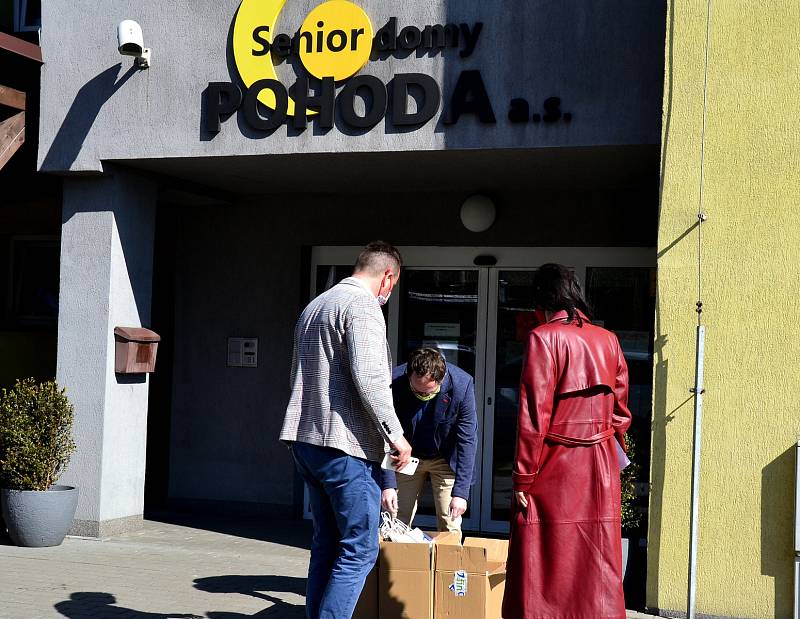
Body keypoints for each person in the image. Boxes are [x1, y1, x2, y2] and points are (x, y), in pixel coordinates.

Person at [280, 241, 413, 619]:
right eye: (393, 284)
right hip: (344, 446)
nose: (389, 293)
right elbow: (371, 378)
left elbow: (297, 374)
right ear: (387, 276)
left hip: (306, 440)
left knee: (328, 543)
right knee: (360, 548)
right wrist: (395, 434)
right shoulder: (362, 306)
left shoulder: (316, 306)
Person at [502, 263, 632, 619]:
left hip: (554, 463)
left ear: (540, 300)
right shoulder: (609, 340)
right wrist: (609, 447)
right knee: (596, 561)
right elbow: (621, 413)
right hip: (601, 463)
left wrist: (523, 477)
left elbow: (533, 416)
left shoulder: (543, 337)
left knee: (545, 559)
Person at [380, 348, 478, 534]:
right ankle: (395, 563)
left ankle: (449, 563)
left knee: (450, 522)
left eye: (429, 392)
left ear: (441, 380)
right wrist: (388, 484)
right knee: (395, 518)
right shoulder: (393, 382)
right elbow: (384, 434)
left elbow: (467, 439)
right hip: (405, 457)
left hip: (445, 457)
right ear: (409, 376)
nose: (423, 396)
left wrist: (461, 494)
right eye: (417, 391)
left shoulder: (461, 385)